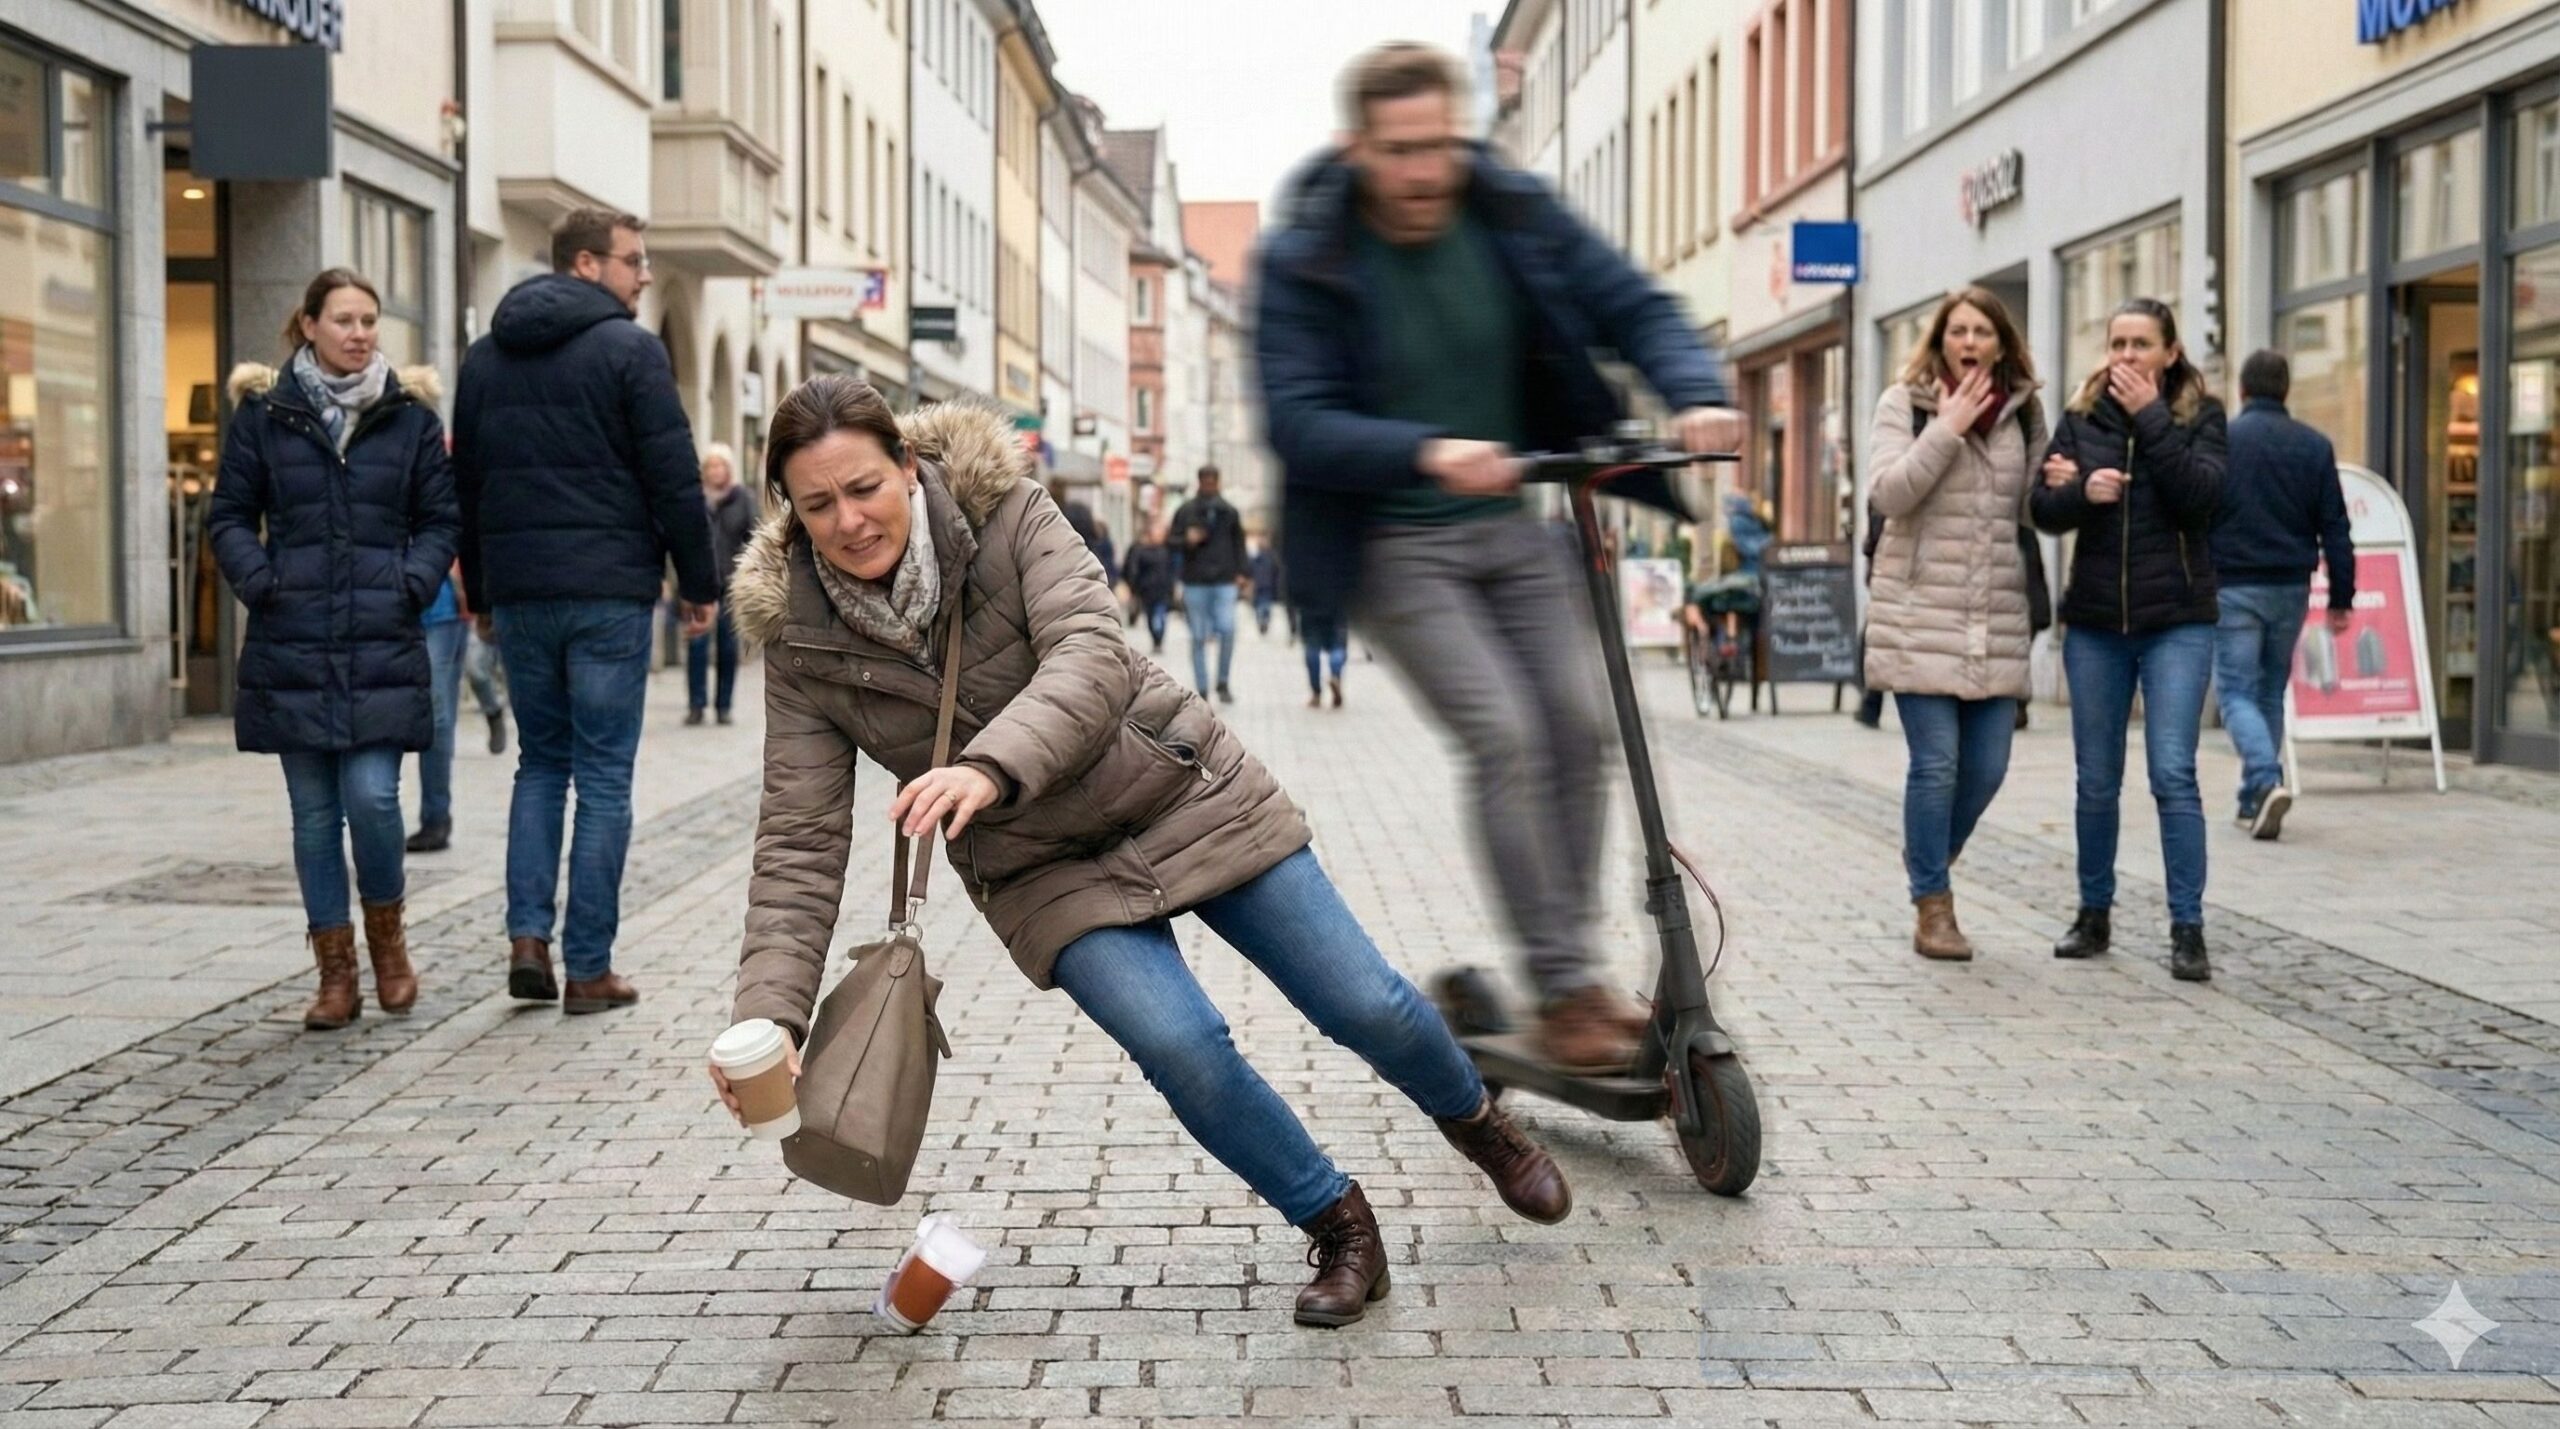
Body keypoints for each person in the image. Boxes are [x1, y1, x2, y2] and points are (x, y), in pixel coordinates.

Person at [712, 378, 1570, 1328]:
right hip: (1041, 867)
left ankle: (1478, 1123)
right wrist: (772, 1015)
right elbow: (799, 830)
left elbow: (1091, 652)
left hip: (1180, 787)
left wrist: (989, 768)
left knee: (1363, 1000)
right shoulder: (800, 639)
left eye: (864, 487)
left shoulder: (1011, 512)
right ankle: (1340, 1225)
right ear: (790, 508)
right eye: (819, 503)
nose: (850, 520)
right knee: (1183, 1047)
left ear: (907, 468)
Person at [1254, 42, 1743, 1072]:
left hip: (1519, 522)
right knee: (1509, 736)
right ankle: (1565, 985)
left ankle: (1571, 976)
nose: (1427, 172)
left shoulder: (1510, 207)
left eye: (1441, 145)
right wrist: (1426, 449)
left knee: (1579, 720)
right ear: (1357, 149)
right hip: (1390, 539)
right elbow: (1297, 420)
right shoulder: (1303, 256)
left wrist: (1691, 388)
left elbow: (1633, 303)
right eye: (1401, 152)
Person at [454, 207, 721, 1015]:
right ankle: (588, 967)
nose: (643, 275)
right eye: (632, 261)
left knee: (541, 764)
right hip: (608, 593)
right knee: (603, 777)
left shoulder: (483, 361)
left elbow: (468, 485)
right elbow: (674, 478)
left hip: (526, 595)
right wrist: (700, 584)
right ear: (583, 265)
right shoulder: (632, 353)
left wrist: (485, 592)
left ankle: (527, 938)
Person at [209, 268, 455, 1031]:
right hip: (294, 641)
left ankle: (388, 939)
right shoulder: (265, 415)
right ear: (308, 325)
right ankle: (336, 973)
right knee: (315, 817)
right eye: (344, 319)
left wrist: (410, 581)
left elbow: (441, 518)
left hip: (381, 637)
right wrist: (263, 582)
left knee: (374, 797)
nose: (360, 333)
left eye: (370, 320)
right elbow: (226, 516)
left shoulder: (409, 419)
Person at [2032, 298, 2227, 983]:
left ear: (2170, 352)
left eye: (2140, 343)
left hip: (2176, 618)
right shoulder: (2082, 416)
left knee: (2173, 771)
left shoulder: (2200, 416)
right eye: (2117, 343)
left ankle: (2187, 927)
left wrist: (2150, 417)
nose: (2125, 356)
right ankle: (2093, 912)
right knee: (2096, 778)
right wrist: (2083, 490)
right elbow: (2042, 508)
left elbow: (2203, 497)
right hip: (2094, 625)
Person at [1864, 288, 2045, 962]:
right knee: (1936, 765)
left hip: (1995, 610)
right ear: (1941, 339)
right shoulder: (1904, 404)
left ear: (2002, 343)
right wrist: (1946, 427)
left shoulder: (2024, 414)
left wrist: (2068, 485)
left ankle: (1928, 855)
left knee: (1990, 766)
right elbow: (1889, 493)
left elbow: (2033, 509)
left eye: (1982, 332)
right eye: (1958, 330)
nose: (1969, 342)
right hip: (1918, 612)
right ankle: (1933, 905)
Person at [2211, 349, 2355, 843]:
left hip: (2232, 585)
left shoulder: (2224, 441)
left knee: (2234, 693)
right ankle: (2254, 799)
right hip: (2291, 586)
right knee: (2270, 690)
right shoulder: (2314, 446)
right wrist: (2342, 595)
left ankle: (2266, 777)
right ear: (2286, 390)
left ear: (2242, 391)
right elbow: (2335, 525)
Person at [689, 442, 759, 726]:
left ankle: (723, 706)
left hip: (732, 581)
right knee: (696, 643)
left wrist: (749, 574)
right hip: (700, 581)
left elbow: (754, 537)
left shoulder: (743, 498)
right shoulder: (695, 498)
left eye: (721, 465)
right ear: (704, 471)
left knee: (728, 646)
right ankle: (696, 705)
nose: (716, 471)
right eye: (711, 466)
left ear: (729, 469)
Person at [1169, 465, 1250, 701]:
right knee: (1197, 635)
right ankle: (1202, 687)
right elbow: (1171, 541)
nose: (1209, 486)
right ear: (1199, 482)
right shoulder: (1186, 511)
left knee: (1228, 629)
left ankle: (1223, 681)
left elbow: (1239, 543)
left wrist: (1242, 572)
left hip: (1225, 580)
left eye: (1212, 482)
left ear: (1218, 482)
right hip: (1195, 581)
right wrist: (1187, 540)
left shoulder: (1229, 512)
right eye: (1205, 482)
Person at [409, 563, 469, 852]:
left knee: (437, 718)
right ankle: (435, 816)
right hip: (432, 606)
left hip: (442, 608)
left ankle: (436, 817)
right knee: (439, 717)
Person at [1120, 520, 1180, 653]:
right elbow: (1133, 569)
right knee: (1150, 615)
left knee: (1161, 614)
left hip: (1163, 589)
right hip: (1147, 590)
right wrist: (1133, 586)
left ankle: (1159, 638)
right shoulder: (1140, 550)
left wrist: (1173, 586)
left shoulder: (1167, 551)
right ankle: (1155, 638)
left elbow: (1172, 570)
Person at [1300, 600, 1351, 708]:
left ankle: (1316, 693)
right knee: (1338, 647)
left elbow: (1293, 587)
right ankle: (1335, 675)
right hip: (1337, 610)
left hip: (1311, 610)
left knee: (1312, 650)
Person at [1248, 535, 1284, 636]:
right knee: (1260, 606)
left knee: (1264, 605)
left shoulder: (1271, 557)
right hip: (1260, 585)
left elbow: (1276, 572)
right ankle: (1262, 620)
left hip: (1266, 585)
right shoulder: (1256, 557)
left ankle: (1264, 620)